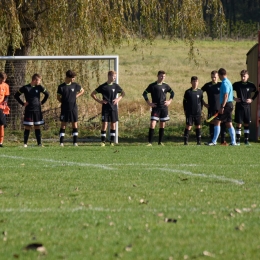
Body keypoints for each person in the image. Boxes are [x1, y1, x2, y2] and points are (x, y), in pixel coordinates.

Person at [91, 70, 125, 146]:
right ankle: (103, 141)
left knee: (113, 124)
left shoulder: (116, 86)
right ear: (109, 76)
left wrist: (118, 99)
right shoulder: (103, 86)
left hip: (114, 108)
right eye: (113, 76)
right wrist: (99, 101)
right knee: (104, 124)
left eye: (115, 77)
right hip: (105, 108)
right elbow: (93, 94)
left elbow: (123, 93)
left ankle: (112, 142)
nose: (114, 78)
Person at [14, 73, 49, 147]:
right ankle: (25, 144)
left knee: (37, 126)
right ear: (34, 80)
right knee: (28, 126)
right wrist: (23, 103)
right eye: (39, 80)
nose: (40, 82)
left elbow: (47, 94)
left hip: (37, 110)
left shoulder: (39, 87)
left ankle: (39, 144)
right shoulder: (26, 87)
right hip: (29, 110)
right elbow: (16, 95)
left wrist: (42, 102)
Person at [142, 70, 174, 146]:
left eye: (164, 76)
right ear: (157, 76)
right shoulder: (152, 85)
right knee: (152, 124)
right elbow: (144, 93)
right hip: (155, 108)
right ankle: (150, 142)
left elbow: (172, 93)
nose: (163, 77)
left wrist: (169, 101)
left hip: (164, 108)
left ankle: (160, 142)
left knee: (162, 125)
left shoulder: (166, 85)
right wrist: (149, 103)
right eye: (161, 76)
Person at [207, 68, 236, 146]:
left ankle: (214, 141)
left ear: (219, 75)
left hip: (226, 105)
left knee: (217, 121)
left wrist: (222, 106)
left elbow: (226, 95)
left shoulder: (225, 83)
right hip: (229, 104)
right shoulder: (229, 81)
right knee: (229, 123)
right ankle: (233, 142)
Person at [57, 70, 84, 146]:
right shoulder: (61, 87)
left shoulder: (75, 85)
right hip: (65, 108)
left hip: (73, 108)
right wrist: (63, 102)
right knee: (63, 124)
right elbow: (58, 97)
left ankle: (75, 142)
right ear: (68, 77)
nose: (74, 79)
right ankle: (61, 142)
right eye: (72, 77)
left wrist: (76, 96)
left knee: (74, 124)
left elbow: (82, 90)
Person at [233, 70, 259, 145]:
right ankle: (237, 141)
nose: (243, 77)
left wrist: (252, 99)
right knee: (239, 123)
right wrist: (234, 98)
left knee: (246, 123)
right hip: (239, 106)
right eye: (242, 76)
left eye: (244, 76)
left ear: (248, 76)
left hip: (247, 107)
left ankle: (246, 140)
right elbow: (229, 90)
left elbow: (257, 92)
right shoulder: (237, 84)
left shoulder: (251, 85)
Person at [202, 70, 227, 145]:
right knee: (212, 124)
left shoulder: (221, 85)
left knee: (222, 123)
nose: (213, 79)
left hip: (220, 108)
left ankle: (223, 140)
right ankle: (212, 140)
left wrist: (223, 106)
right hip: (211, 108)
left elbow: (227, 94)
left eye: (215, 77)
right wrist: (205, 104)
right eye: (212, 77)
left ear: (218, 77)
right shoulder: (207, 85)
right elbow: (199, 94)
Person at [183, 76, 204, 145]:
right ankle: (186, 141)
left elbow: (201, 102)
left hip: (197, 112)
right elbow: (184, 102)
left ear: (198, 82)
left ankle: (199, 141)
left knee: (198, 126)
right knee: (188, 126)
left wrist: (201, 110)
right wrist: (185, 110)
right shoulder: (188, 92)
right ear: (191, 82)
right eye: (194, 82)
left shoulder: (200, 92)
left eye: (196, 81)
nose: (195, 83)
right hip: (190, 112)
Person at [0, 72, 10, 147]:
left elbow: (6, 96)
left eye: (4, 80)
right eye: (1, 80)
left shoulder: (6, 86)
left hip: (1, 107)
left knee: (2, 123)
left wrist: (5, 102)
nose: (2, 82)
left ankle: (1, 142)